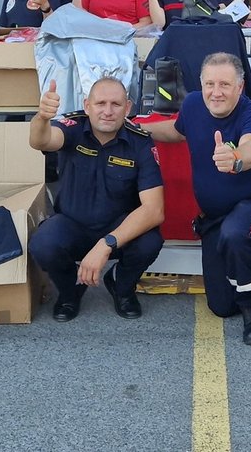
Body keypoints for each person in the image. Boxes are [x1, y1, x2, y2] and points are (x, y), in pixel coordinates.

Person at [144, 53, 251, 345]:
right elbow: (177, 131)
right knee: (221, 307)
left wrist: (236, 159)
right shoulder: (193, 104)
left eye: (225, 85)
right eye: (210, 84)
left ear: (240, 87)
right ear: (201, 84)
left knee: (236, 234)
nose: (216, 92)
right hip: (216, 216)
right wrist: (139, 128)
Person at [29, 78, 165, 321]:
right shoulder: (72, 128)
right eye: (100, 103)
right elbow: (41, 140)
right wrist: (42, 118)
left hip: (118, 230)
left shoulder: (140, 142)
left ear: (128, 108)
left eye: (116, 104)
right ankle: (71, 291)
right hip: (72, 225)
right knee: (43, 244)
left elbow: (154, 210)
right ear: (87, 105)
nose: (108, 111)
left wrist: (106, 244)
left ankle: (122, 287)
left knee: (150, 241)